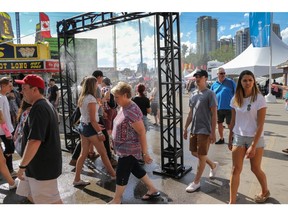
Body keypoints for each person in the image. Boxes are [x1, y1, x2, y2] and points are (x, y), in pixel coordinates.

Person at [109, 81, 160, 204]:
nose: (115, 100)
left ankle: (116, 200)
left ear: (126, 95)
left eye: (117, 97)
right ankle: (152, 189)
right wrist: (113, 141)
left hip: (129, 149)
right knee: (135, 169)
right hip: (123, 148)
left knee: (121, 172)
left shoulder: (131, 109)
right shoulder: (124, 106)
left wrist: (145, 153)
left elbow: (141, 132)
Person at [14, 74, 63, 204]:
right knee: (32, 196)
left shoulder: (39, 108)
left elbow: (35, 140)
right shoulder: (43, 105)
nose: (21, 91)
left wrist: (22, 166)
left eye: (24, 88)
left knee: (50, 202)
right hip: (35, 166)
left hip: (42, 168)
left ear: (35, 89)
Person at [228, 70, 269, 204]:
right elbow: (233, 121)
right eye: (244, 80)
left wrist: (253, 146)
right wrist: (230, 138)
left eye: (250, 80)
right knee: (235, 170)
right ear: (240, 82)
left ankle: (265, 191)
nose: (247, 83)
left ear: (254, 81)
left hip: (255, 138)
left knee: (255, 168)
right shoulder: (235, 99)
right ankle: (232, 202)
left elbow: (260, 125)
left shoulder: (259, 98)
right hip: (239, 136)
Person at [74, 76, 116, 186]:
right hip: (91, 129)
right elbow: (93, 119)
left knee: (83, 154)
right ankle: (113, 175)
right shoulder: (91, 99)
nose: (98, 85)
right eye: (96, 84)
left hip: (84, 127)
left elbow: (87, 117)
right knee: (104, 154)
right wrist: (99, 132)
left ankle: (77, 179)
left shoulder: (83, 97)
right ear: (93, 85)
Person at [183, 69, 218, 193]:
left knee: (201, 156)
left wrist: (213, 132)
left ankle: (196, 182)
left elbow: (214, 114)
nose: (197, 78)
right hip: (194, 129)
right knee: (194, 152)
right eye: (196, 76)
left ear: (205, 78)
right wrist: (185, 128)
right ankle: (213, 165)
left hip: (205, 130)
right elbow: (191, 113)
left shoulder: (210, 94)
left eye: (200, 76)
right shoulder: (193, 94)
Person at [92, 70, 118, 167]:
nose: (102, 79)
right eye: (101, 77)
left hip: (91, 117)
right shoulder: (98, 88)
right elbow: (99, 102)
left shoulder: (93, 88)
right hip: (96, 116)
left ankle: (75, 158)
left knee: (85, 140)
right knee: (105, 136)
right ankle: (109, 159)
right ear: (99, 77)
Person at [210, 67, 236, 144]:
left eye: (224, 73)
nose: (223, 75)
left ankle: (232, 138)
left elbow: (237, 93)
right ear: (217, 74)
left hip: (229, 107)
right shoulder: (214, 84)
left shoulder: (230, 82)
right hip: (218, 107)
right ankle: (221, 138)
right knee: (219, 123)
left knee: (229, 124)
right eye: (221, 73)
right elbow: (211, 95)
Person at [0, 77, 16, 177]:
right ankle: (8, 169)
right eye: (9, 85)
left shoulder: (4, 96)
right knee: (10, 148)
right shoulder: (0, 98)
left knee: (9, 149)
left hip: (8, 129)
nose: (11, 87)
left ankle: (7, 168)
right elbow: (0, 115)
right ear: (3, 86)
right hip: (3, 130)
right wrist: (7, 131)